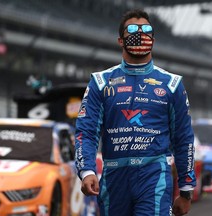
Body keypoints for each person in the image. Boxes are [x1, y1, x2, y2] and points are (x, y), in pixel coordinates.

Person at [74, 9, 196, 216]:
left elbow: (183, 138)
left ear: (154, 39)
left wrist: (186, 190)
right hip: (114, 177)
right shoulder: (100, 82)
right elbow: (85, 131)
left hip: (154, 174)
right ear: (120, 40)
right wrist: (86, 171)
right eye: (133, 30)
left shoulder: (172, 84)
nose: (140, 34)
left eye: (146, 30)